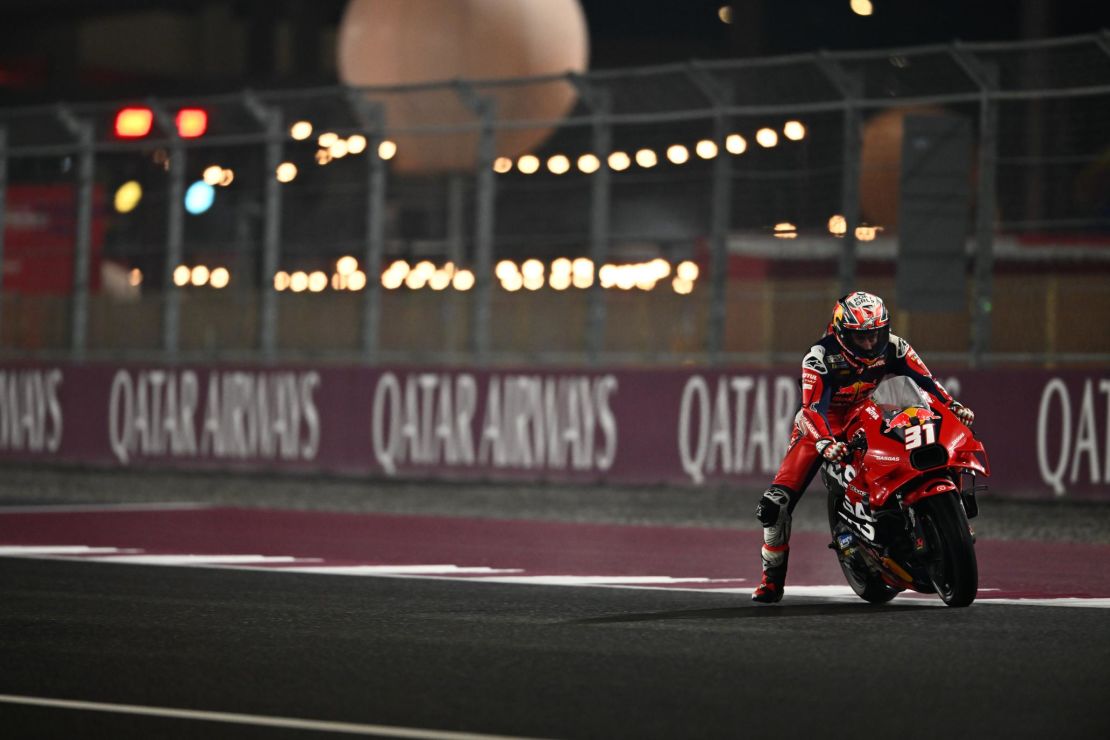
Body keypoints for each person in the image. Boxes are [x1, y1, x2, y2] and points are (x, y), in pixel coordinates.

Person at [751, 291, 975, 604]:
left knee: (920, 439)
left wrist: (952, 404)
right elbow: (810, 408)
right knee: (774, 506)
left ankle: (923, 512)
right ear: (841, 334)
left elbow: (927, 383)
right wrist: (825, 442)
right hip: (823, 426)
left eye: (875, 335)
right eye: (861, 338)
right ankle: (771, 580)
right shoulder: (819, 357)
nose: (870, 344)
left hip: (867, 412)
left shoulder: (895, 346)